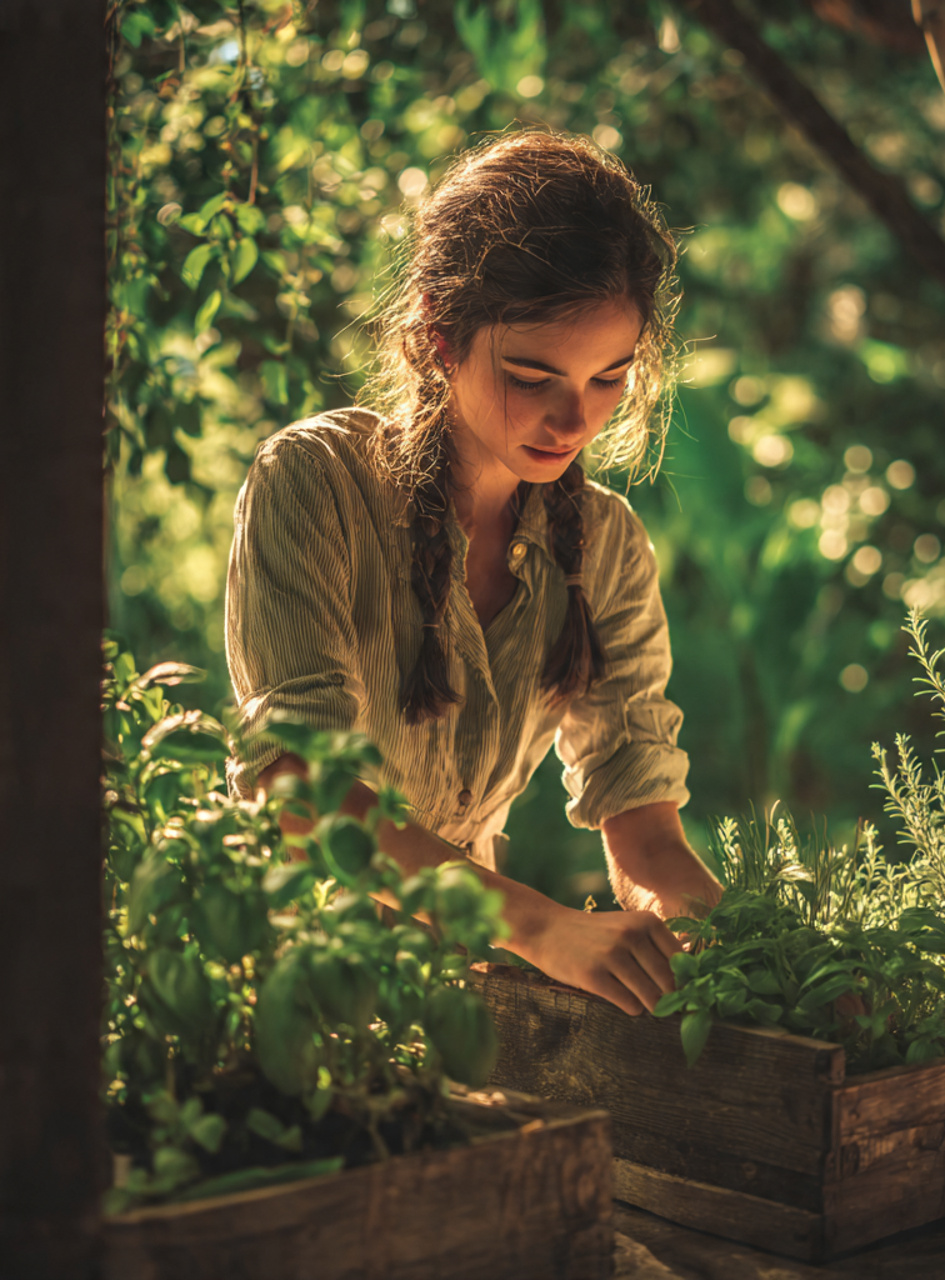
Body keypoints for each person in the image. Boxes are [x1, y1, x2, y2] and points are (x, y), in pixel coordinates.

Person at [224, 129, 722, 1017]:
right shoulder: (315, 482)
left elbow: (644, 832)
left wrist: (759, 957)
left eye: (610, 378)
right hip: (280, 999)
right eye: (534, 376)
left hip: (462, 1007)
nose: (575, 421)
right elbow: (297, 792)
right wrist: (540, 927)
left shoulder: (605, 546)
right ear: (435, 338)